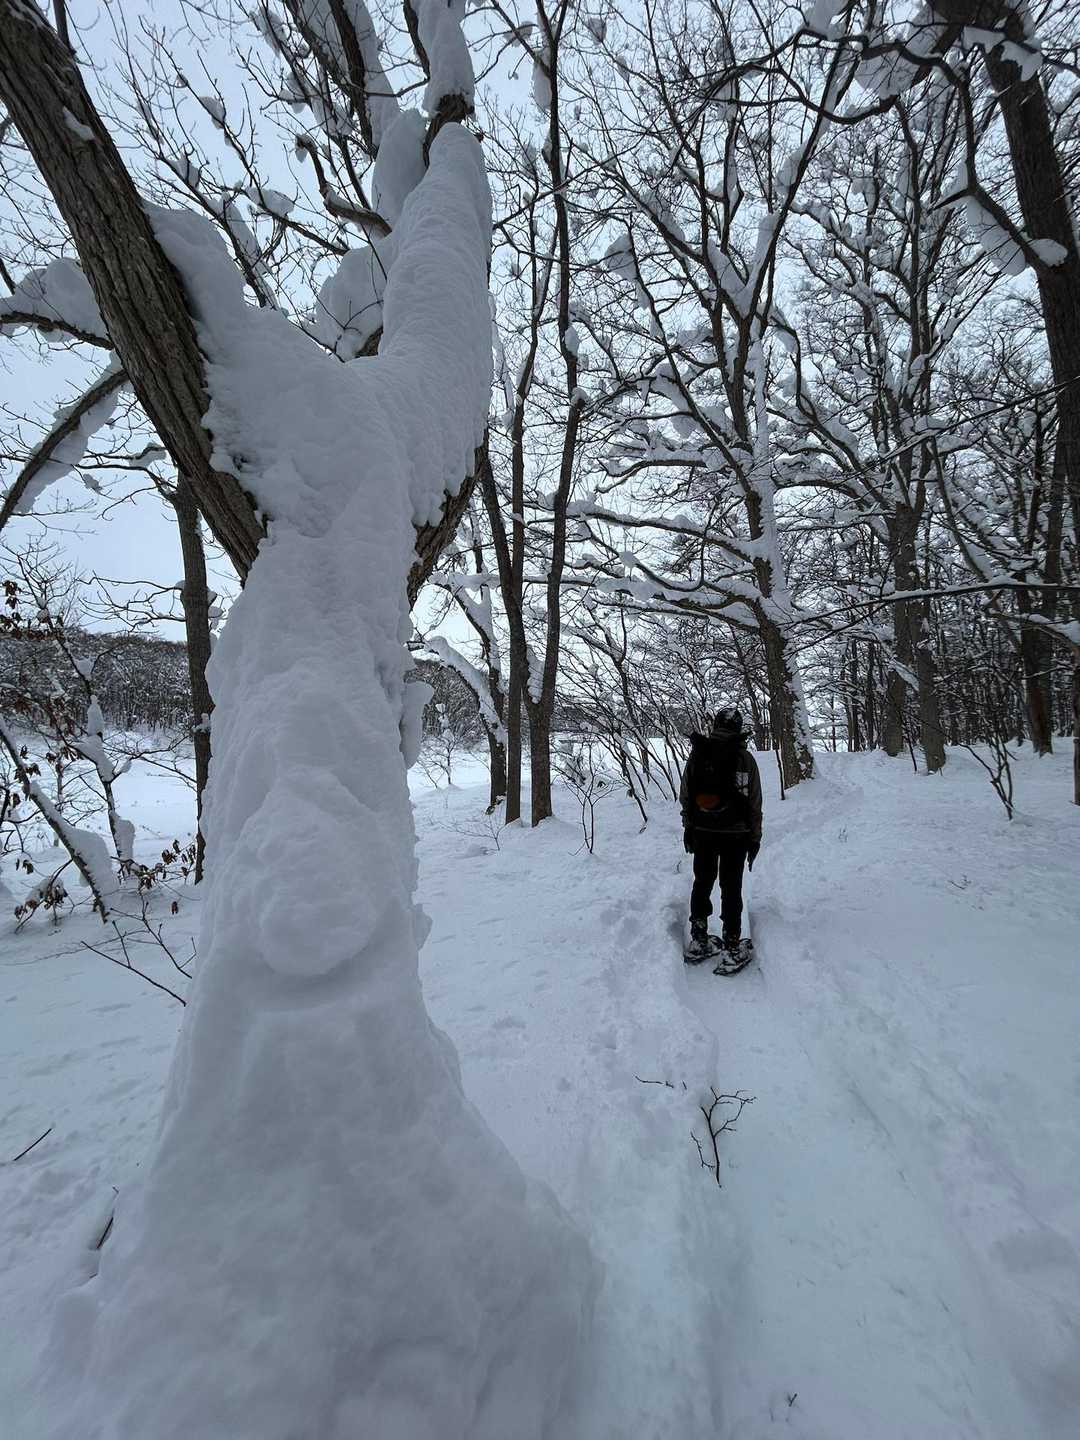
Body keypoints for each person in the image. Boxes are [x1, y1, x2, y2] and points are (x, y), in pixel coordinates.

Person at [679, 708, 763, 960]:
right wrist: (754, 837)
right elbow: (754, 803)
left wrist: (689, 826)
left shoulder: (699, 753)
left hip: (703, 831)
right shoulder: (745, 759)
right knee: (731, 886)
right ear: (738, 728)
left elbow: (686, 795)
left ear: (715, 726)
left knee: (702, 882)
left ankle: (699, 937)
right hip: (736, 834)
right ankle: (732, 944)